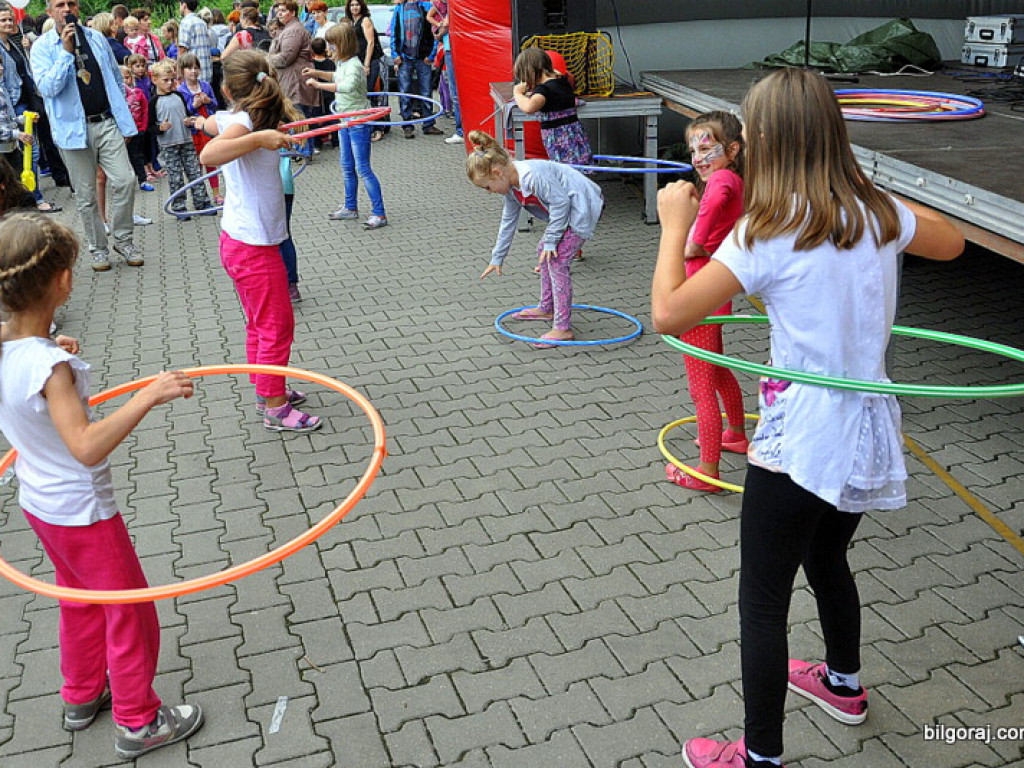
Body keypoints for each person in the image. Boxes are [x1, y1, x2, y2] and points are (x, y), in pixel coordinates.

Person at [650, 68, 965, 768]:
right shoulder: (875, 212)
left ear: (761, 140)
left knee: (761, 600)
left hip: (802, 438)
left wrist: (674, 224)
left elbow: (669, 312)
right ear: (832, 132)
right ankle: (843, 684)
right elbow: (951, 244)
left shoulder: (767, 232)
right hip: (867, 427)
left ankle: (759, 757)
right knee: (827, 557)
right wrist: (873, 194)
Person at [0, 214, 204, 760]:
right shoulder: (50, 368)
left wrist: (46, 343)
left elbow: (26, 363)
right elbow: (86, 446)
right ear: (64, 280)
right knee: (129, 610)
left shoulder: (12, 349)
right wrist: (147, 396)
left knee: (80, 602)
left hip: (40, 507)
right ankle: (138, 721)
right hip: (82, 512)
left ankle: (81, 695)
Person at [196, 50, 321, 432]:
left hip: (244, 241)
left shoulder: (245, 117)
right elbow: (208, 153)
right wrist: (256, 140)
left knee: (259, 322)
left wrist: (208, 120)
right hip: (252, 246)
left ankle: (267, 386)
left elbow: (214, 124)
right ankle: (275, 408)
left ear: (226, 89)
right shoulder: (246, 122)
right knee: (276, 325)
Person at [665, 111, 749, 492]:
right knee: (715, 370)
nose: (697, 157)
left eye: (706, 148)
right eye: (692, 150)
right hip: (714, 292)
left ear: (731, 150)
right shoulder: (729, 177)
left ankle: (707, 471)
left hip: (699, 294)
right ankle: (734, 432)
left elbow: (714, 208)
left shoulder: (720, 181)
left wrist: (689, 241)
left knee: (700, 385)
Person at [31, 0, 142, 272]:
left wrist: (123, 118)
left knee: (126, 180)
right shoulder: (42, 47)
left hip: (106, 121)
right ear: (49, 12)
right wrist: (66, 53)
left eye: (71, 3)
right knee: (86, 195)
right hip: (72, 131)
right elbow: (47, 88)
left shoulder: (95, 37)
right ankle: (98, 248)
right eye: (60, 5)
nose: (67, 9)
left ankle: (123, 239)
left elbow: (115, 78)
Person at [468, 130, 603, 348]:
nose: (488, 192)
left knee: (556, 260)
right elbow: (508, 222)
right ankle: (547, 307)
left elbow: (561, 204)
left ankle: (562, 328)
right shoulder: (511, 187)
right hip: (566, 211)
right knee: (544, 252)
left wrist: (551, 241)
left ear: (497, 173)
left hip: (582, 207)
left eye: (487, 187)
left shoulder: (533, 176)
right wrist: (497, 258)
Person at [305, 21, 386, 229]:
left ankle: (379, 213)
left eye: (333, 45)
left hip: (358, 122)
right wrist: (316, 74)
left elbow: (347, 86)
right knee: (346, 166)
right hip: (344, 120)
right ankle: (350, 207)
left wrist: (318, 85)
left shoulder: (356, 65)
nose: (330, 49)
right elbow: (335, 76)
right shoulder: (342, 64)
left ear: (343, 44)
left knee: (363, 168)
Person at [0, 2, 71, 194]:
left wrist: (27, 49)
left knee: (30, 149)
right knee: (31, 149)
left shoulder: (13, 43)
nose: (8, 23)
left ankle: (28, 194)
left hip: (28, 99)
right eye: (3, 20)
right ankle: (33, 196)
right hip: (13, 104)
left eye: (10, 19)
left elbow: (26, 70)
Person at [148, 58, 211, 218]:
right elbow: (150, 126)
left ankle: (202, 202)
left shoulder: (179, 96)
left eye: (172, 80)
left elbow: (187, 114)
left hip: (186, 141)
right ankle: (179, 207)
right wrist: (159, 128)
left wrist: (190, 120)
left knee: (195, 173)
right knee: (175, 178)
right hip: (168, 145)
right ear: (155, 80)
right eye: (165, 80)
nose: (169, 83)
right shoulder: (154, 102)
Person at [512, 46, 591, 167]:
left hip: (559, 139)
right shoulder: (562, 81)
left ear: (531, 72)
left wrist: (517, 93)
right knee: (579, 166)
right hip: (575, 133)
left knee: (564, 170)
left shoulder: (544, 90)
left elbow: (529, 107)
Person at [268, 0, 317, 156]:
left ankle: (303, 151)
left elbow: (286, 58)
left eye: (283, 10)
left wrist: (266, 59)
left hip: (295, 81)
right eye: (278, 11)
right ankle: (302, 149)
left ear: (293, 12)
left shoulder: (294, 31)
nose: (279, 13)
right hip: (290, 79)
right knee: (298, 116)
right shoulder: (287, 29)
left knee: (298, 116)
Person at [391, 0, 443, 138]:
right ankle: (407, 125)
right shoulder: (399, 8)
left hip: (423, 57)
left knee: (426, 91)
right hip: (404, 57)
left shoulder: (426, 7)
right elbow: (394, 31)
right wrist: (395, 54)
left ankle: (428, 124)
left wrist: (432, 54)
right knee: (404, 92)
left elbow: (435, 31)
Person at [176, 51, 221, 203]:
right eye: (189, 68)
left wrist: (208, 101)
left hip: (207, 128)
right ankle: (200, 195)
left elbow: (215, 106)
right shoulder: (181, 90)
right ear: (182, 71)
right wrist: (193, 105)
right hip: (193, 131)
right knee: (196, 165)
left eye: (196, 68)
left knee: (211, 161)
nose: (193, 71)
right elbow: (182, 112)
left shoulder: (206, 86)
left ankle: (216, 193)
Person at [345, 0, 385, 142]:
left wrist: (367, 64)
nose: (354, 7)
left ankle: (378, 128)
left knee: (370, 94)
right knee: (363, 95)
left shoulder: (365, 20)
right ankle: (368, 126)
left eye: (356, 5)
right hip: (358, 62)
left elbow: (371, 42)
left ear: (361, 6)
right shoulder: (352, 21)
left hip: (369, 62)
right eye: (352, 5)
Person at [426, 0, 462, 144]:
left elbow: (446, 24)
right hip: (449, 47)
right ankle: (461, 129)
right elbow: (432, 18)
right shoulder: (440, 5)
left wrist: (439, 29)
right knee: (453, 91)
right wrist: (439, 27)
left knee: (455, 93)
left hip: (453, 48)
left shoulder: (452, 6)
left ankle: (461, 131)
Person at [308, 37, 337, 150]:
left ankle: (317, 143)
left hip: (317, 94)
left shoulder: (312, 64)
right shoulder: (330, 63)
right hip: (329, 92)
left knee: (316, 117)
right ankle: (335, 140)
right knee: (333, 115)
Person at [177, 0, 211, 82]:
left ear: (184, 5)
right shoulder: (202, 22)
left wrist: (179, 71)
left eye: (180, 5)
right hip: (206, 71)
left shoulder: (186, 22)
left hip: (193, 74)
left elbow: (183, 49)